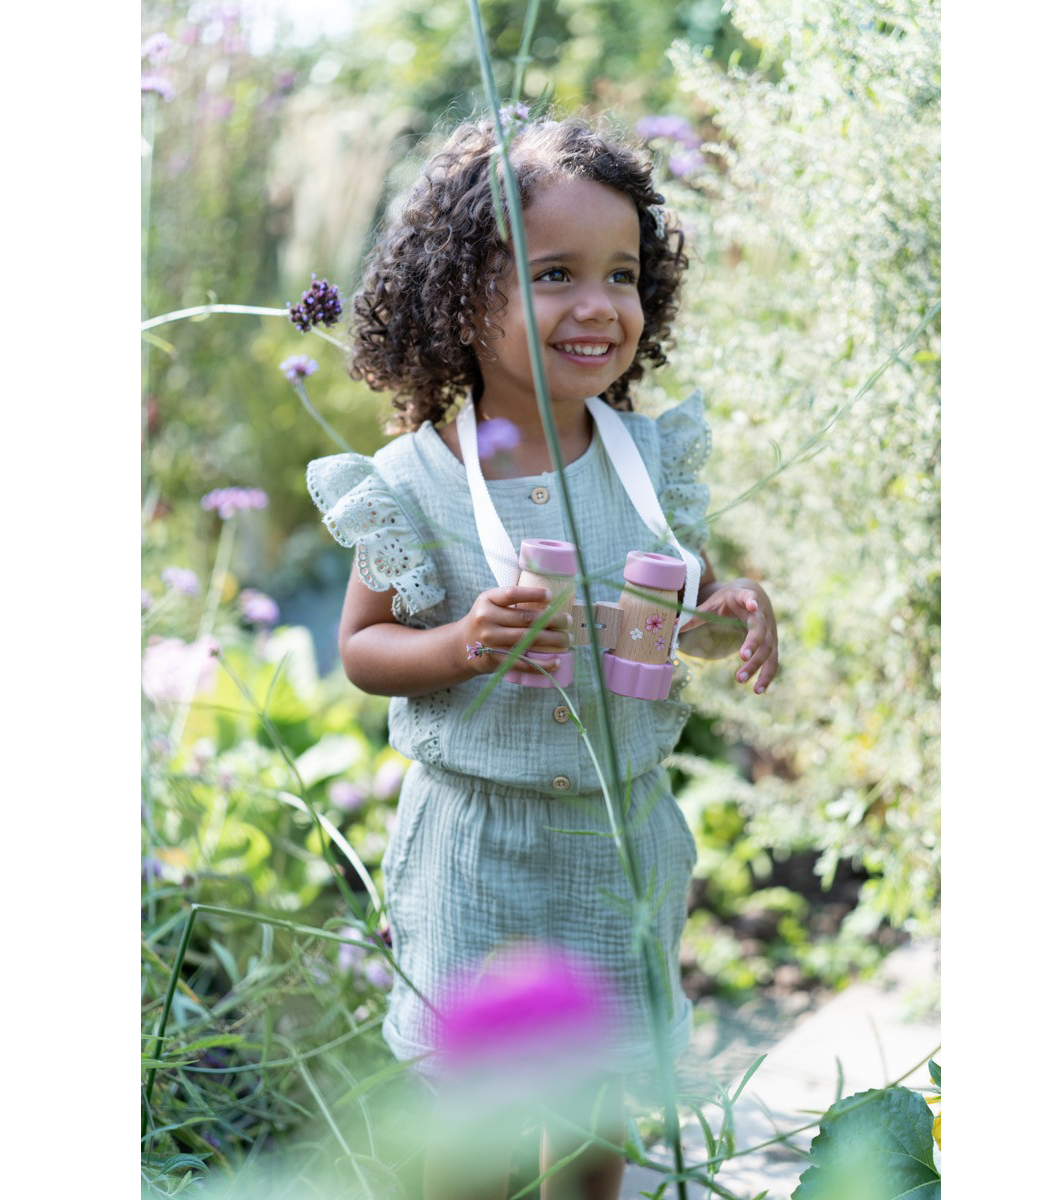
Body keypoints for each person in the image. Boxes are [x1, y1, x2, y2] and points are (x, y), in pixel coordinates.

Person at [307, 115, 779, 1200]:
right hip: (480, 847)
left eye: (622, 274)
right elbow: (363, 652)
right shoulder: (415, 481)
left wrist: (731, 608)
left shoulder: (650, 462)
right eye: (554, 273)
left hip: (617, 843)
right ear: (455, 298)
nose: (599, 305)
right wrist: (459, 644)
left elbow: (677, 612)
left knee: (594, 1112)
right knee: (474, 1126)